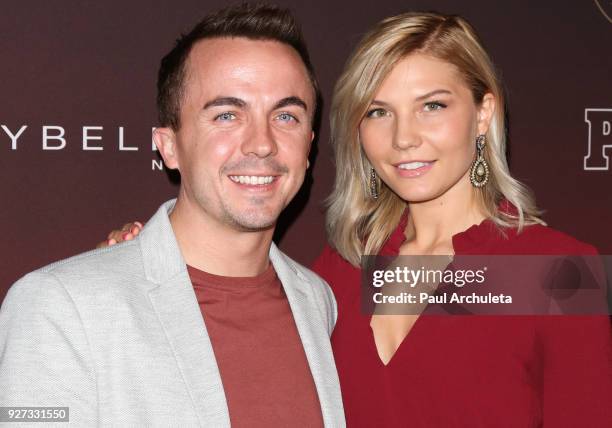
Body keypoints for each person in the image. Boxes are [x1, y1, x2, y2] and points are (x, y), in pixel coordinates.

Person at [101, 10, 612, 428]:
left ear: (482, 114)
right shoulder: (345, 268)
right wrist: (144, 258)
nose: (404, 137)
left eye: (432, 106)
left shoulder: (556, 272)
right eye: (378, 111)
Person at [0, 4, 344, 427]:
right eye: (227, 115)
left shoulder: (318, 301)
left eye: (286, 116)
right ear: (168, 146)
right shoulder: (60, 306)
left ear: (309, 145)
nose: (262, 144)